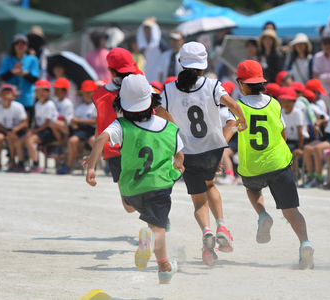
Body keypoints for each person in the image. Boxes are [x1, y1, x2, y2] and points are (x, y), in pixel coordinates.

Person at [84, 74, 183, 284]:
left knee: (155, 224)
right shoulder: (168, 127)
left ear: (121, 104)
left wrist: (92, 166)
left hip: (131, 191)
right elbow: (179, 153)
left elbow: (101, 138)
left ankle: (164, 266)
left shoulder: (121, 126)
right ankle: (154, 251)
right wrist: (179, 165)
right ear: (152, 102)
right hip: (158, 187)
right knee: (157, 229)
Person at [156, 42, 247, 267]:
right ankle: (221, 225)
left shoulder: (168, 89)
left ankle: (206, 231)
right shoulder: (213, 85)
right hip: (214, 150)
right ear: (203, 65)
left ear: (180, 63)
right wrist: (242, 119)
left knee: (198, 202)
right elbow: (233, 106)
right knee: (211, 186)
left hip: (188, 153)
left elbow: (159, 114)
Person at [224, 60, 314, 269]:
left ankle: (263, 214)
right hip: (279, 162)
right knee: (291, 210)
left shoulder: (239, 106)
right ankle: (305, 242)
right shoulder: (275, 103)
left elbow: (230, 127)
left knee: (253, 190)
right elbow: (282, 133)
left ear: (241, 84)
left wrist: (221, 144)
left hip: (253, 166)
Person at [88, 47, 142, 213]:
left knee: (129, 205)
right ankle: (154, 207)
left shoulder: (100, 95)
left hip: (117, 150)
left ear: (110, 71)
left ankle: (154, 213)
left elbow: (100, 130)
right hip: (138, 146)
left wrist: (93, 157)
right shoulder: (142, 86)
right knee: (130, 205)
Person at [301, 79, 330, 188]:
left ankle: (318, 178)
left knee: (317, 148)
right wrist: (323, 121)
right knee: (307, 148)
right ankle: (311, 176)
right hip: (328, 136)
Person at [15, 79, 58, 173]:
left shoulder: (49, 104)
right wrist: (31, 130)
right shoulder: (38, 104)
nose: (40, 93)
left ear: (48, 92)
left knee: (29, 140)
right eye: (38, 91)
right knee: (19, 141)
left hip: (49, 131)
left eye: (43, 91)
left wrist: (33, 132)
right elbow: (36, 121)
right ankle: (21, 164)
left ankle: (36, 165)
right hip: (40, 130)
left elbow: (46, 124)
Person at [57, 80, 98, 174]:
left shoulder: (96, 106)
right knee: (72, 141)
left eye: (89, 92)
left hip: (93, 130)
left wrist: (78, 120)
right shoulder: (80, 107)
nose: (87, 95)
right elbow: (73, 120)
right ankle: (69, 165)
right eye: (85, 93)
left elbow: (94, 121)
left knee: (93, 141)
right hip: (81, 131)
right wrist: (73, 123)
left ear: (94, 92)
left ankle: (106, 164)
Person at [0, 34, 39, 126]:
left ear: (26, 46)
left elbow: (34, 78)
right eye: (17, 43)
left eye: (23, 44)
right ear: (13, 46)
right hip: (10, 101)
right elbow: (2, 76)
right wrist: (12, 72)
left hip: (26, 99)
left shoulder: (32, 59)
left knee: (25, 126)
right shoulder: (7, 59)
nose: (20, 46)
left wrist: (22, 73)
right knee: (10, 126)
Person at [0, 84, 28, 171]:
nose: (5, 96)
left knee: (10, 138)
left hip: (18, 129)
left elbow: (25, 123)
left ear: (13, 96)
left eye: (8, 93)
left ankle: (12, 160)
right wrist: (6, 132)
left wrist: (14, 131)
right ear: (0, 96)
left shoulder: (18, 106)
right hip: (5, 129)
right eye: (3, 94)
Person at [278, 86, 309, 159]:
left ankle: (292, 169)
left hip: (299, 141)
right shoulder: (281, 112)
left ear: (294, 101)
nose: (285, 103)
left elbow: (300, 133)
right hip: (288, 140)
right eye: (283, 101)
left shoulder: (297, 113)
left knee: (286, 151)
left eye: (288, 101)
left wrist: (300, 148)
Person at [136, 18, 169, 82]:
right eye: (145, 29)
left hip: (159, 79)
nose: (147, 31)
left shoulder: (161, 44)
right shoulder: (144, 45)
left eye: (149, 29)